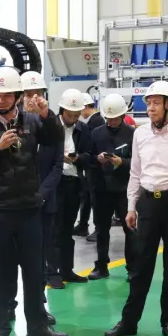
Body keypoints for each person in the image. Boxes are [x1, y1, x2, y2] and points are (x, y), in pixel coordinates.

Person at [0, 66, 70, 336]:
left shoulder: (33, 121)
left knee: (34, 271)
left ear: (16, 96)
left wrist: (47, 115)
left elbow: (54, 138)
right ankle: (0, 332)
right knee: (0, 273)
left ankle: (37, 327)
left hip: (28, 209)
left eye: (5, 95)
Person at [104, 81, 168, 336]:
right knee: (141, 265)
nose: (150, 108)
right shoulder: (140, 134)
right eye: (148, 103)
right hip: (148, 203)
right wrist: (131, 206)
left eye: (156, 103)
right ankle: (129, 322)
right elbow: (135, 172)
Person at [6, 71, 61, 324]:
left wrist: (41, 194)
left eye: (37, 94)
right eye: (28, 94)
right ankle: (8, 306)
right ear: (19, 97)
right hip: (15, 203)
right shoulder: (10, 124)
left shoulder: (52, 124)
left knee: (38, 259)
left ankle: (38, 306)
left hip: (43, 203)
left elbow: (57, 166)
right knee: (9, 259)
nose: (32, 99)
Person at [86, 93, 136, 281]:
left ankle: (132, 267)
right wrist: (96, 159)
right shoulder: (96, 133)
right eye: (109, 118)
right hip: (101, 189)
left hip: (124, 189)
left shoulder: (132, 134)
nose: (112, 121)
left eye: (115, 118)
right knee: (101, 229)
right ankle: (101, 265)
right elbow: (87, 157)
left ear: (122, 115)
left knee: (129, 229)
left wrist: (121, 162)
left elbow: (138, 163)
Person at [52, 88, 92, 287]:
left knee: (67, 230)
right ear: (62, 110)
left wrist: (77, 159)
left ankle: (67, 270)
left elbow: (89, 155)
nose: (74, 119)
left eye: (77, 115)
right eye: (70, 115)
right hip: (54, 184)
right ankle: (52, 273)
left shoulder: (82, 129)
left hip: (73, 183)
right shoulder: (51, 126)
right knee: (54, 230)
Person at [74, 92, 104, 240]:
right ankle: (83, 225)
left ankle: (98, 229)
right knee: (86, 196)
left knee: (95, 198)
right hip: (91, 165)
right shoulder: (92, 121)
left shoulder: (96, 122)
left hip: (95, 166)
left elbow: (90, 145)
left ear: (86, 107)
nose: (79, 113)